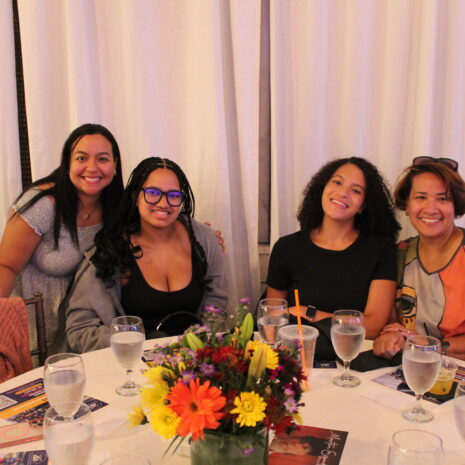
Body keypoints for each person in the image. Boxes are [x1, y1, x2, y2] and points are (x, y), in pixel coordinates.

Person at [65, 157, 228, 353]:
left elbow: (217, 303)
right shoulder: (110, 251)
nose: (163, 203)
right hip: (130, 365)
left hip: (192, 364)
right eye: (152, 193)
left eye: (174, 195)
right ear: (135, 197)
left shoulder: (205, 241)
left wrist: (201, 341)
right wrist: (140, 343)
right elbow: (79, 331)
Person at [0, 124, 124, 354]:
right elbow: (5, 265)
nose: (92, 167)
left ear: (115, 165)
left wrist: (199, 237)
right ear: (67, 162)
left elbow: (153, 230)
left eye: (103, 159)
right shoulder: (43, 204)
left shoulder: (116, 207)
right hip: (32, 324)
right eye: (81, 158)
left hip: (81, 327)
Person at [266, 157, 400, 339]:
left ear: (364, 206)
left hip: (354, 358)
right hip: (298, 354)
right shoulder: (286, 248)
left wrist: (308, 313)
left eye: (356, 190)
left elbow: (373, 327)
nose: (343, 193)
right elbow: (272, 321)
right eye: (337, 182)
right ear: (322, 187)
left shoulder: (381, 248)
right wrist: (348, 322)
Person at [373, 157, 465, 361]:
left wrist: (434, 346)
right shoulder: (399, 253)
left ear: (456, 206)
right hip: (412, 367)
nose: (431, 208)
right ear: (407, 205)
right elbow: (391, 322)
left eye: (443, 198)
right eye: (421, 197)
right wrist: (391, 336)